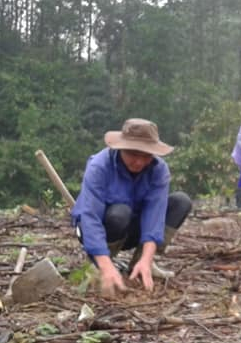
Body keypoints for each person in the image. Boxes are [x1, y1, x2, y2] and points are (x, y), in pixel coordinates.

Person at [71, 118, 192, 297]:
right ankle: (99, 264)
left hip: (134, 228)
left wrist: (147, 258)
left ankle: (141, 265)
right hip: (104, 228)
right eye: (133, 154)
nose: (139, 162)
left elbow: (154, 215)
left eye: (146, 156)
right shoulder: (99, 166)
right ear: (121, 148)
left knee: (181, 202)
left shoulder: (158, 170)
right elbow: (89, 217)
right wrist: (105, 265)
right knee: (120, 213)